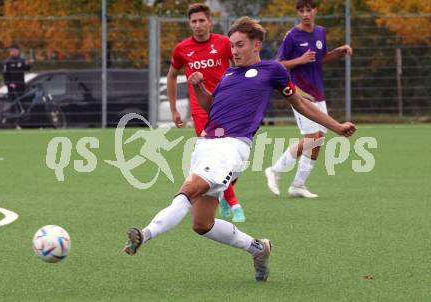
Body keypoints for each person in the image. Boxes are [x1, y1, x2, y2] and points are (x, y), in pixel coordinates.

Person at [122, 16, 356, 282]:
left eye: (240, 45)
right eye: (232, 45)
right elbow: (211, 107)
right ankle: (257, 247)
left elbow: (302, 104)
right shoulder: (229, 73)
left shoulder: (273, 70)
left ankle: (145, 234)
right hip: (205, 145)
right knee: (202, 224)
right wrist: (199, 87)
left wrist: (336, 126)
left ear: (257, 44)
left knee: (187, 190)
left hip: (232, 148)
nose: (234, 50)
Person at [265, 0, 353, 198]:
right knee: (311, 137)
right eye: (301, 10)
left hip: (318, 94)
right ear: (298, 12)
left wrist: (338, 52)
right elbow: (277, 65)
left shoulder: (320, 31)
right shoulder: (292, 36)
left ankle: (298, 185)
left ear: (316, 10)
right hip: (300, 95)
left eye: (309, 9)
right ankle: (275, 170)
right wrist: (299, 60)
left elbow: (321, 58)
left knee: (318, 139)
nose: (305, 14)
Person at [167, 3, 246, 222]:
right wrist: (174, 109)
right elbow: (172, 75)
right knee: (215, 155)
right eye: (194, 21)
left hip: (227, 107)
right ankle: (234, 203)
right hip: (201, 112)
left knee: (233, 160)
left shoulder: (223, 43)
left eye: (202, 20)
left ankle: (220, 194)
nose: (198, 25)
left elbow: (238, 66)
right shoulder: (182, 49)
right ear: (189, 24)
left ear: (210, 21)